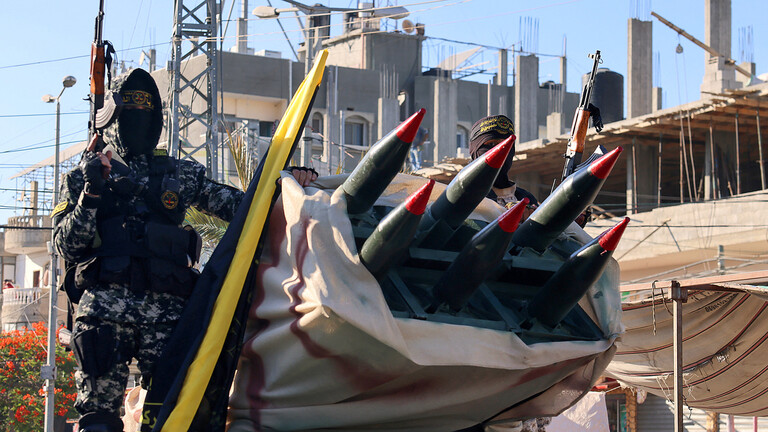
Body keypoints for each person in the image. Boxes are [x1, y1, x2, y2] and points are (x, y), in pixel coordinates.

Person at [53, 68, 316, 432]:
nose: (139, 122)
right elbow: (66, 244)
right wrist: (91, 194)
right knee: (98, 421)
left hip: (168, 316)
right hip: (104, 315)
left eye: (146, 113)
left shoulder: (180, 175)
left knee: (172, 419)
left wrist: (287, 182)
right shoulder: (83, 176)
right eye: (130, 113)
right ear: (112, 118)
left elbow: (244, 208)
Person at [468, 115, 539, 220]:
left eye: (506, 145)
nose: (501, 152)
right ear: (475, 149)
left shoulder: (526, 197)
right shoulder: (464, 197)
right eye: (492, 144)